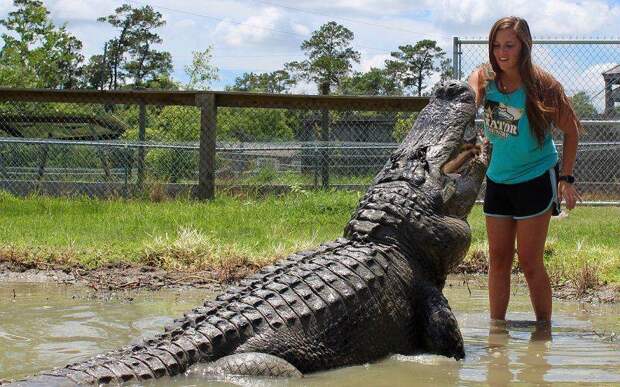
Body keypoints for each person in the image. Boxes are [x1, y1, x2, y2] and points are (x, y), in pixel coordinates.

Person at [467, 16, 582, 322]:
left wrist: (566, 178)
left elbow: (572, 130)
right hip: (498, 180)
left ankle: (543, 333)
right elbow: (467, 102)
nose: (501, 52)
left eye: (509, 45)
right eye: (496, 45)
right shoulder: (484, 78)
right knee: (498, 259)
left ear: (524, 47)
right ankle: (497, 332)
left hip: (535, 177)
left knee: (530, 262)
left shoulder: (543, 86)